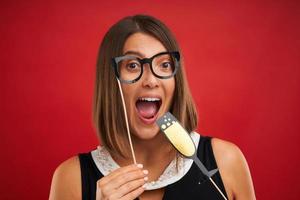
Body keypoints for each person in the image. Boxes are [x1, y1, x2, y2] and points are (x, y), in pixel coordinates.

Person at [49, 15, 256, 200]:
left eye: (164, 65)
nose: (150, 80)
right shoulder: (71, 179)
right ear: (110, 79)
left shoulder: (225, 161)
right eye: (132, 65)